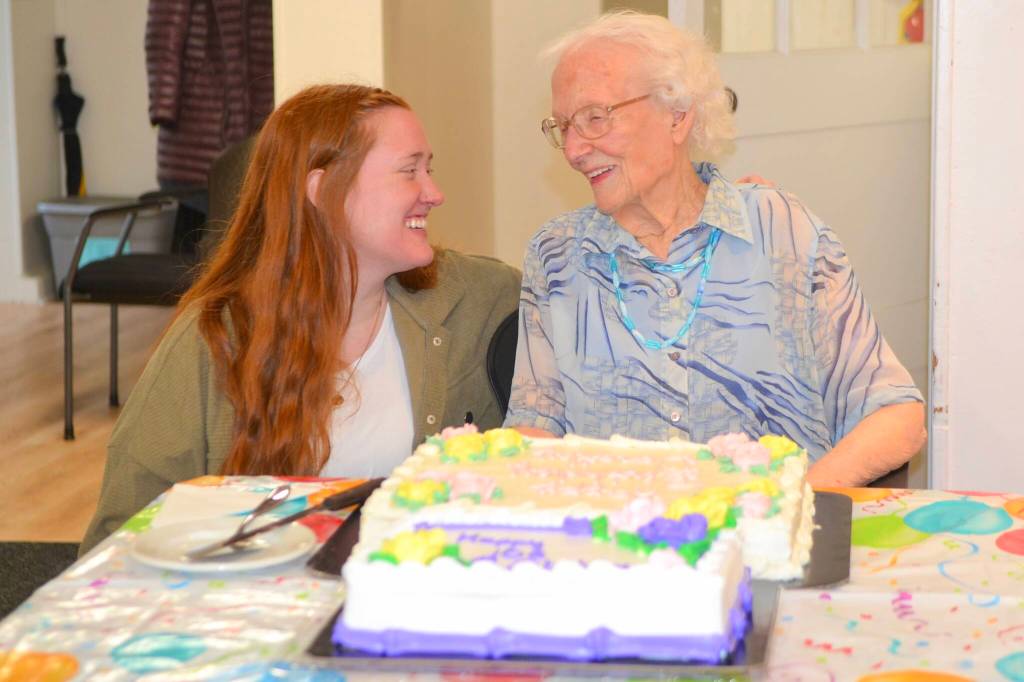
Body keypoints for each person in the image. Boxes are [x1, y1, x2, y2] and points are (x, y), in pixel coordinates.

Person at [81, 84, 521, 554]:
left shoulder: (481, 297)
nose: (434, 193)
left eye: (429, 169)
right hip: (258, 604)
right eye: (409, 171)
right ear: (321, 189)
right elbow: (121, 532)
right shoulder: (217, 335)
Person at [504, 12, 925, 488]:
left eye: (595, 119)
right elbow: (534, 425)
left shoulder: (780, 230)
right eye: (563, 127)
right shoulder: (558, 257)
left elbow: (894, 414)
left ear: (677, 115)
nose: (575, 149)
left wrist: (789, 511)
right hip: (620, 550)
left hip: (775, 549)